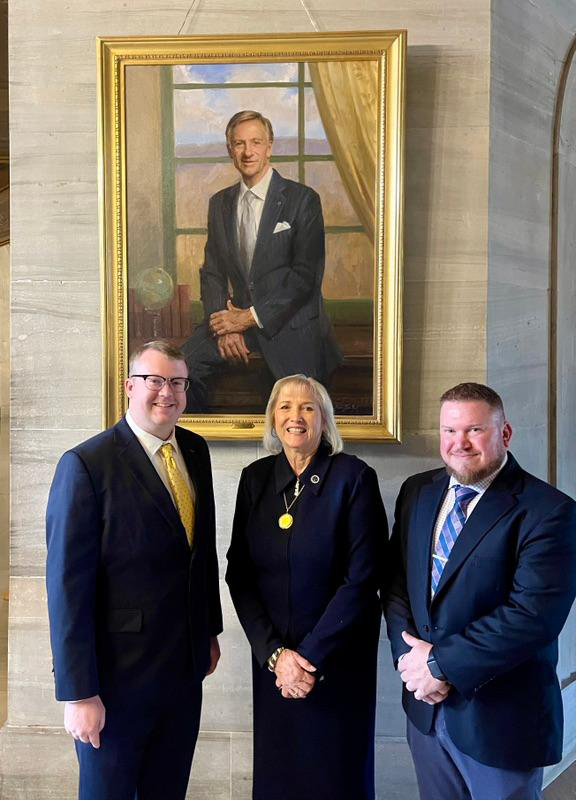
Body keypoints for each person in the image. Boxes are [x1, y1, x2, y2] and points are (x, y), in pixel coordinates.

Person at [45, 340, 223, 800]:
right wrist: (79, 693)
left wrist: (209, 631)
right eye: (156, 380)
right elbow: (67, 588)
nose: (168, 392)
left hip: (182, 676)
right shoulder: (87, 464)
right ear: (129, 386)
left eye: (178, 383)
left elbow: (201, 553)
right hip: (114, 683)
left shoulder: (196, 452)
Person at [384, 382, 576, 800]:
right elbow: (397, 584)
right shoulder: (418, 492)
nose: (460, 443)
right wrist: (411, 663)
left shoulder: (549, 511)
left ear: (504, 434)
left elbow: (531, 619)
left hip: (501, 720)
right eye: (449, 431)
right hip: (427, 713)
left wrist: (438, 666)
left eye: (474, 430)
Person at [225, 373, 386, 800]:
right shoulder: (255, 479)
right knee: (280, 776)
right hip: (275, 664)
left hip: (336, 662)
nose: (295, 416)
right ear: (272, 418)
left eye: (307, 407)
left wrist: (307, 659)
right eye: (285, 407)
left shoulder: (354, 478)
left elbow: (363, 578)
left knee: (335, 776)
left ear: (324, 420)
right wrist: (276, 655)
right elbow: (238, 572)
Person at [182, 110, 342, 412]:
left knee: (297, 408)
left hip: (290, 324)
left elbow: (306, 278)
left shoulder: (303, 199)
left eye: (255, 142)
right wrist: (225, 326)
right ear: (230, 150)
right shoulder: (220, 204)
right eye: (239, 143)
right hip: (236, 322)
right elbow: (213, 272)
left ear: (270, 146)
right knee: (179, 370)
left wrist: (250, 317)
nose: (248, 151)